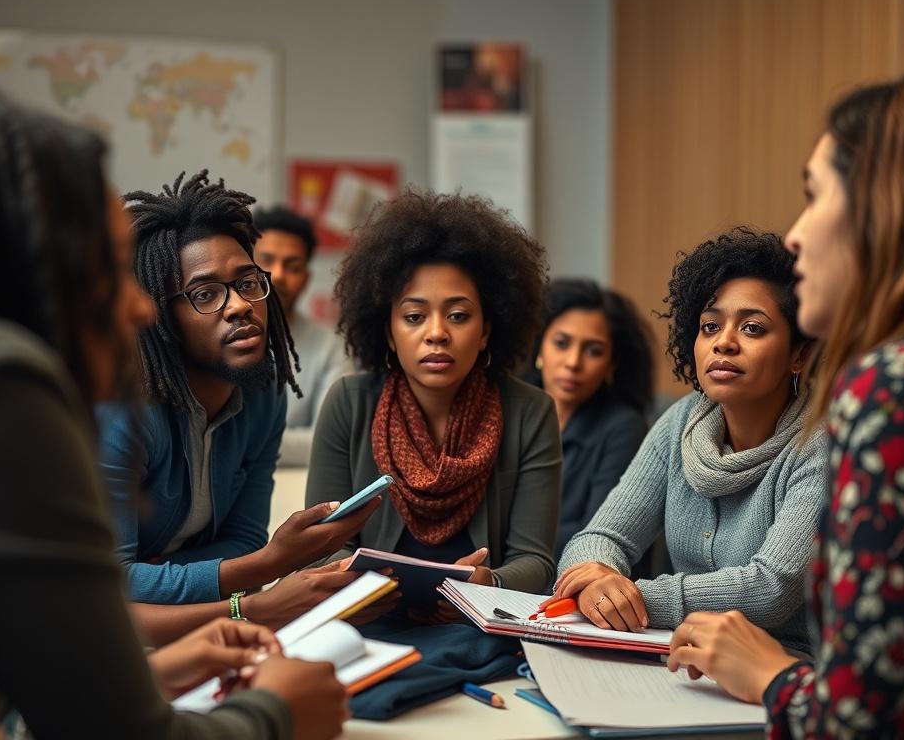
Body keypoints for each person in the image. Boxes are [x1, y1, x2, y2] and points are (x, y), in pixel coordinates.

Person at [0, 88, 348, 740]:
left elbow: (33, 670)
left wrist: (150, 673)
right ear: (21, 264)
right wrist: (276, 712)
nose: (140, 309)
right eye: (107, 268)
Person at [666, 67, 904, 737]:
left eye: (814, 196)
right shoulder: (683, 420)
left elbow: (864, 720)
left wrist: (771, 676)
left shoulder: (898, 387)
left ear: (886, 208)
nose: (794, 235)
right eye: (710, 325)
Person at [97, 172, 382, 645]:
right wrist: (265, 568)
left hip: (179, 629)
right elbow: (111, 583)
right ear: (161, 317)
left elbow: (243, 537)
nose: (239, 307)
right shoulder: (124, 413)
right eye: (205, 294)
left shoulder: (263, 393)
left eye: (247, 282)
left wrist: (167, 577)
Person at [548, 228, 830, 655]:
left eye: (752, 328)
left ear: (799, 355)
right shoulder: (681, 421)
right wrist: (595, 579)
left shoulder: (821, 442)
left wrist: (636, 598)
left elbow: (772, 588)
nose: (724, 343)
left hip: (787, 667)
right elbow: (602, 536)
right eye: (710, 326)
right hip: (682, 656)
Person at [305, 188, 561, 611]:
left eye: (458, 315)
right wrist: (355, 584)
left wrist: (488, 583)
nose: (437, 332)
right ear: (388, 331)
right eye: (414, 316)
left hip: (474, 624)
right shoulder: (348, 403)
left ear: (485, 332)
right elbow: (322, 546)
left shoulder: (530, 412)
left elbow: (535, 562)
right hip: (367, 622)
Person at [524, 279, 654, 558]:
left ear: (612, 364)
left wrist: (510, 539)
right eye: (561, 343)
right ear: (539, 348)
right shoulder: (511, 412)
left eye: (593, 351)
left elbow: (595, 536)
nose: (573, 362)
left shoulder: (624, 428)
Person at [252, 206, 352, 466]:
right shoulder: (217, 336)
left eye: (292, 266)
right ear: (245, 266)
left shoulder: (332, 348)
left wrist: (238, 441)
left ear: (306, 278)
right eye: (266, 260)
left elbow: (329, 441)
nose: (278, 275)